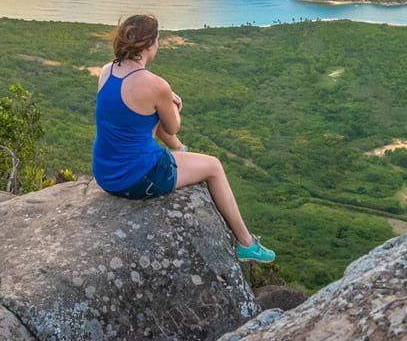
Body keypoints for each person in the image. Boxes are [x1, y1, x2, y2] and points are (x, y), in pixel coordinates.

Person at [92, 14, 276, 262]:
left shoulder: (107, 71)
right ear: (149, 44)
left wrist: (162, 101)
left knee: (146, 119)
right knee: (214, 166)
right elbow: (172, 126)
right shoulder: (156, 85)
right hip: (137, 179)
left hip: (105, 175)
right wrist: (173, 105)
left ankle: (181, 153)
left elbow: (132, 113)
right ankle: (246, 243)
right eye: (157, 40)